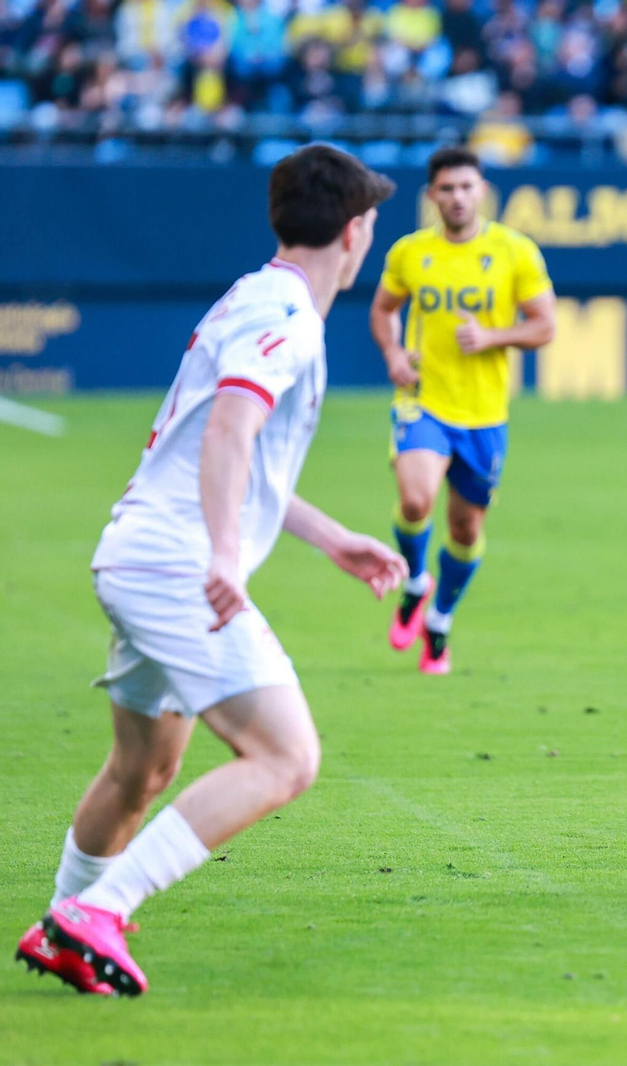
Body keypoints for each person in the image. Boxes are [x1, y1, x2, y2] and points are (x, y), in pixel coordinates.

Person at [15, 145, 403, 996]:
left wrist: (331, 537)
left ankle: (63, 924)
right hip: (176, 567)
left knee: (143, 770)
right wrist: (225, 555)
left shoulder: (256, 295)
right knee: (286, 757)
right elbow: (230, 426)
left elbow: (242, 456)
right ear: (356, 229)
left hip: (140, 554)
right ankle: (98, 911)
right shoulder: (290, 316)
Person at [371, 147, 557, 675]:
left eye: (466, 187)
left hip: (484, 415)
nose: (457, 197)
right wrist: (391, 354)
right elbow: (383, 310)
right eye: (446, 189)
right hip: (423, 401)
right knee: (414, 500)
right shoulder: (411, 252)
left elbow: (545, 325)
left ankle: (440, 620)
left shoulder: (514, 251)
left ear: (482, 191)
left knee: (466, 530)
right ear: (431, 195)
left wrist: (493, 335)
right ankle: (414, 582)